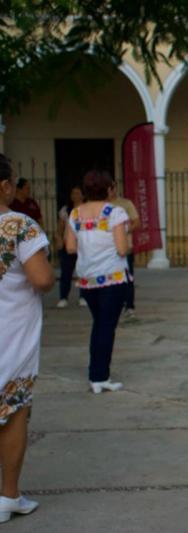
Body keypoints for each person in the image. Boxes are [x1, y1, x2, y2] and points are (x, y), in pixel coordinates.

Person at [0, 153, 54, 523]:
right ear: (5, 185)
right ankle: (8, 495)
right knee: (13, 411)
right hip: (9, 335)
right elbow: (42, 279)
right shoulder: (19, 225)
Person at [65, 170, 131, 394]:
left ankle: (98, 373)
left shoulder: (75, 214)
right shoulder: (115, 212)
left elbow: (70, 247)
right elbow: (122, 248)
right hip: (113, 278)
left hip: (87, 279)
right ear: (109, 189)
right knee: (106, 327)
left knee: (99, 325)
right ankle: (99, 376)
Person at [109, 179, 140, 319]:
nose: (109, 190)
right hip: (107, 249)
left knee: (127, 277)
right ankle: (115, 303)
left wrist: (124, 230)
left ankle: (129, 305)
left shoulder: (125, 204)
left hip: (124, 246)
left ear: (115, 188)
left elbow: (136, 222)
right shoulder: (100, 205)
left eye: (111, 187)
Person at [56, 186, 86, 308]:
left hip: (83, 245)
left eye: (78, 193)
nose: (75, 195)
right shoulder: (66, 210)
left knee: (83, 272)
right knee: (66, 273)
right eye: (73, 193)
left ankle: (83, 296)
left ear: (83, 195)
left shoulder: (87, 209)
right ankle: (63, 298)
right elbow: (60, 228)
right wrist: (58, 240)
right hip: (68, 245)